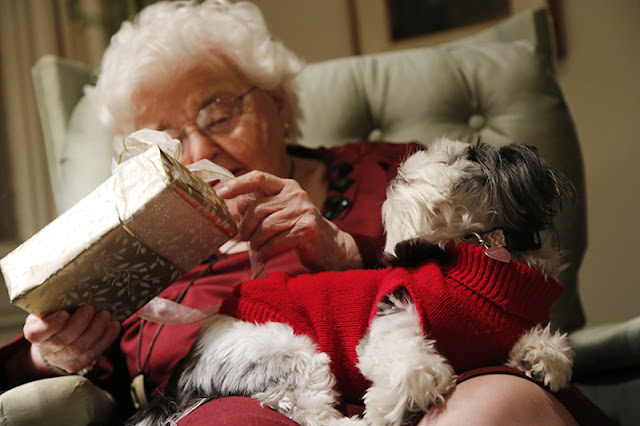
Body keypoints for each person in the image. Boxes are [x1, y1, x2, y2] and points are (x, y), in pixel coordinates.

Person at [0, 1, 612, 425]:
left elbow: (502, 286)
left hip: (438, 386)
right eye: (167, 139)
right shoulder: (139, 247)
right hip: (232, 402)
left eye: (217, 112)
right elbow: (81, 371)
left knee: (492, 410)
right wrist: (48, 353)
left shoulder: (400, 173)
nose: (200, 150)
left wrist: (348, 250)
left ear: (279, 102)